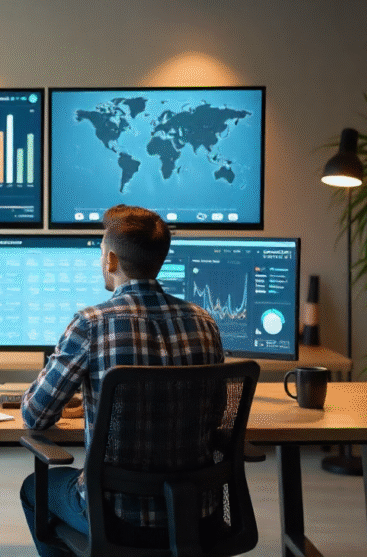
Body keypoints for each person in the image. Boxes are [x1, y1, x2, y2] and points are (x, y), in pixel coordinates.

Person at [18, 204, 226, 557]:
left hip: (119, 518)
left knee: (34, 488)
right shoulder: (205, 322)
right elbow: (212, 410)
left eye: (101, 249)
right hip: (196, 513)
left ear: (111, 260)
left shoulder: (91, 324)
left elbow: (35, 415)